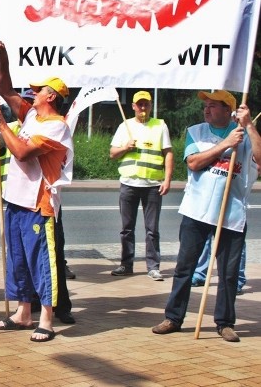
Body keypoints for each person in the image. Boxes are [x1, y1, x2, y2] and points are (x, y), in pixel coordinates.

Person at [152, 90, 261, 342]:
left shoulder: (243, 134)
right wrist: (224, 145)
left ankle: (225, 323)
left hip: (231, 214)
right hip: (196, 210)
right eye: (206, 106)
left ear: (228, 110)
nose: (207, 109)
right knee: (184, 268)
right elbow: (193, 162)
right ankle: (173, 317)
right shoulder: (197, 131)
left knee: (228, 272)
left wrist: (249, 127)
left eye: (213, 106)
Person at [0, 41, 73, 342]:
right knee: (19, 261)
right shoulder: (32, 116)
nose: (32, 93)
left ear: (51, 96)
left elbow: (22, 152)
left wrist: (1, 126)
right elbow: (5, 87)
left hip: (39, 204)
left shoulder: (57, 127)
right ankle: (23, 313)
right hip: (16, 200)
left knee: (42, 263)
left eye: (38, 90)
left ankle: (47, 320)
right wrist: (1, 53)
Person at [108, 90, 174, 280]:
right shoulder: (125, 126)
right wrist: (125, 147)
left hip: (153, 185)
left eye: (146, 104)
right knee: (126, 228)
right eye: (140, 104)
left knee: (152, 229)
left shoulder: (160, 126)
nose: (143, 107)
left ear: (151, 105)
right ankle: (126, 264)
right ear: (134, 106)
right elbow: (112, 153)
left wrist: (168, 179)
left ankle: (153, 266)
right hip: (129, 183)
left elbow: (168, 153)